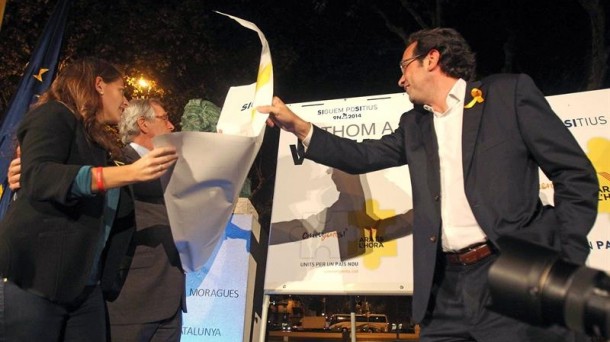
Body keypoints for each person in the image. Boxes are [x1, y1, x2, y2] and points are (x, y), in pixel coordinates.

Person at [258, 28, 599, 341]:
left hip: (512, 274)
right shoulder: (414, 125)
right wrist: (299, 127)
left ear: (432, 59)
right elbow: (362, 156)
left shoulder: (507, 95)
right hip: (445, 288)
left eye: (405, 66)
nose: (401, 79)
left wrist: (566, 256)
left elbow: (574, 173)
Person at [0, 57, 178, 341]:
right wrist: (129, 173)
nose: (125, 101)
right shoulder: (53, 114)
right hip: (35, 279)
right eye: (121, 90)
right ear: (99, 85)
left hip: (85, 287)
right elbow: (42, 176)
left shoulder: (98, 145)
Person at [108, 98, 185, 341]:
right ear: (143, 124)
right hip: (132, 295)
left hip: (171, 297)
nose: (171, 126)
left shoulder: (176, 168)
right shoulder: (116, 164)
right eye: (164, 118)